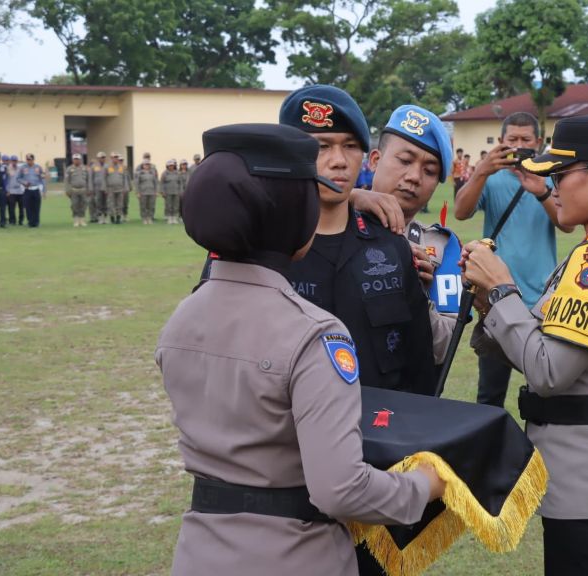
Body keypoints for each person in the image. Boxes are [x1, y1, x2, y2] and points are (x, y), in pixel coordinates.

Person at [157, 122, 444, 576]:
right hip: (297, 552)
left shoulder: (182, 319)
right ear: (295, 216)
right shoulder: (315, 335)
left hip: (202, 551)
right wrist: (424, 485)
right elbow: (340, 489)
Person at [461, 114, 588, 575]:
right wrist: (489, 302)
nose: (551, 186)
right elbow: (531, 339)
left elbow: (549, 372)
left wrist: (502, 291)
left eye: (559, 174)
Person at [276, 85, 437, 398]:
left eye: (350, 146)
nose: (339, 161)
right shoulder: (264, 247)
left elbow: (418, 365)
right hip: (289, 437)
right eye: (322, 146)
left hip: (380, 435)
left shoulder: (391, 245)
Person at [454, 111, 560, 408]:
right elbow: (461, 212)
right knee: (490, 394)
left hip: (541, 301)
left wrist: (541, 192)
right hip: (495, 300)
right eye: (512, 139)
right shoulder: (492, 178)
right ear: (501, 141)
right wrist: (481, 172)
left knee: (544, 393)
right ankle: (487, 453)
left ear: (538, 142)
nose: (519, 145)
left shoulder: (550, 176)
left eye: (526, 139)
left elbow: (565, 224)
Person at [361, 103, 459, 365]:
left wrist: (417, 295)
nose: (414, 177)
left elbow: (443, 349)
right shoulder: (331, 223)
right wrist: (348, 199)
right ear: (374, 160)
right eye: (404, 161)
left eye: (429, 171)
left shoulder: (441, 247)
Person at [16, 153, 45, 228]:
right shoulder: (23, 168)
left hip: (36, 189)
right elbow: (18, 178)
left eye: (30, 160)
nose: (29, 161)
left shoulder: (38, 167)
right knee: (28, 207)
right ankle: (30, 222)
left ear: (33, 160)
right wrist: (24, 182)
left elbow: (42, 178)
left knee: (36, 207)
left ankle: (36, 222)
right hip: (27, 189)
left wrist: (43, 190)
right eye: (27, 160)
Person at [65, 153, 90, 227]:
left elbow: (88, 180)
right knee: (74, 205)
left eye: (78, 159)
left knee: (83, 205)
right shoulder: (69, 169)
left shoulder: (85, 168)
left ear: (80, 160)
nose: (76, 161)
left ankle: (82, 220)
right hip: (74, 190)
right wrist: (67, 190)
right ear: (73, 160)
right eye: (75, 159)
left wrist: (89, 189)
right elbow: (67, 181)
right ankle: (76, 220)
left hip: (83, 189)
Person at [106, 152, 130, 225]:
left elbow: (125, 178)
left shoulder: (121, 168)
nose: (115, 159)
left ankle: (118, 218)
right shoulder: (107, 167)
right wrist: (104, 188)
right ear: (111, 158)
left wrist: (126, 188)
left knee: (119, 204)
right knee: (111, 204)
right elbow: (104, 178)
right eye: (114, 157)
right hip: (111, 189)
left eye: (117, 157)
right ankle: (112, 218)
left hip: (120, 188)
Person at [135, 153, 159, 224]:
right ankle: (144, 218)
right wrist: (138, 192)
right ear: (143, 165)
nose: (147, 166)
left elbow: (156, 182)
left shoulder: (153, 172)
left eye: (148, 164)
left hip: (151, 191)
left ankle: (150, 218)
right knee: (143, 206)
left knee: (151, 206)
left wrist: (156, 191)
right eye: (145, 165)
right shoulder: (140, 173)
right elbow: (137, 183)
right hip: (143, 192)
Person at [161, 159, 182, 224]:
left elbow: (180, 183)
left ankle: (175, 218)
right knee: (169, 205)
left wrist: (180, 191)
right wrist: (162, 192)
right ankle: (169, 218)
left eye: (172, 165)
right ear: (167, 166)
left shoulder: (177, 173)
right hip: (168, 192)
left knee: (176, 205)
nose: (171, 167)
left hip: (176, 191)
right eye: (170, 166)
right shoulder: (164, 173)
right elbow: (162, 183)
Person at [90, 151, 107, 224]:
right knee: (98, 202)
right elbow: (91, 178)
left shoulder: (107, 166)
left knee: (106, 203)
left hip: (105, 187)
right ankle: (99, 217)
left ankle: (105, 218)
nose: (102, 159)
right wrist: (91, 188)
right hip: (97, 187)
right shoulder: (93, 166)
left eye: (103, 157)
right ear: (98, 158)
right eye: (101, 157)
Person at [6, 155, 24, 226]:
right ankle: (12, 221)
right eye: (13, 160)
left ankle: (21, 221)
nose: (14, 162)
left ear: (17, 161)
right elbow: (6, 181)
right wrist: (7, 190)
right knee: (11, 208)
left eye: (15, 161)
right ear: (10, 161)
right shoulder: (7, 169)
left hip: (20, 191)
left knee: (21, 208)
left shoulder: (20, 169)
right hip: (11, 191)